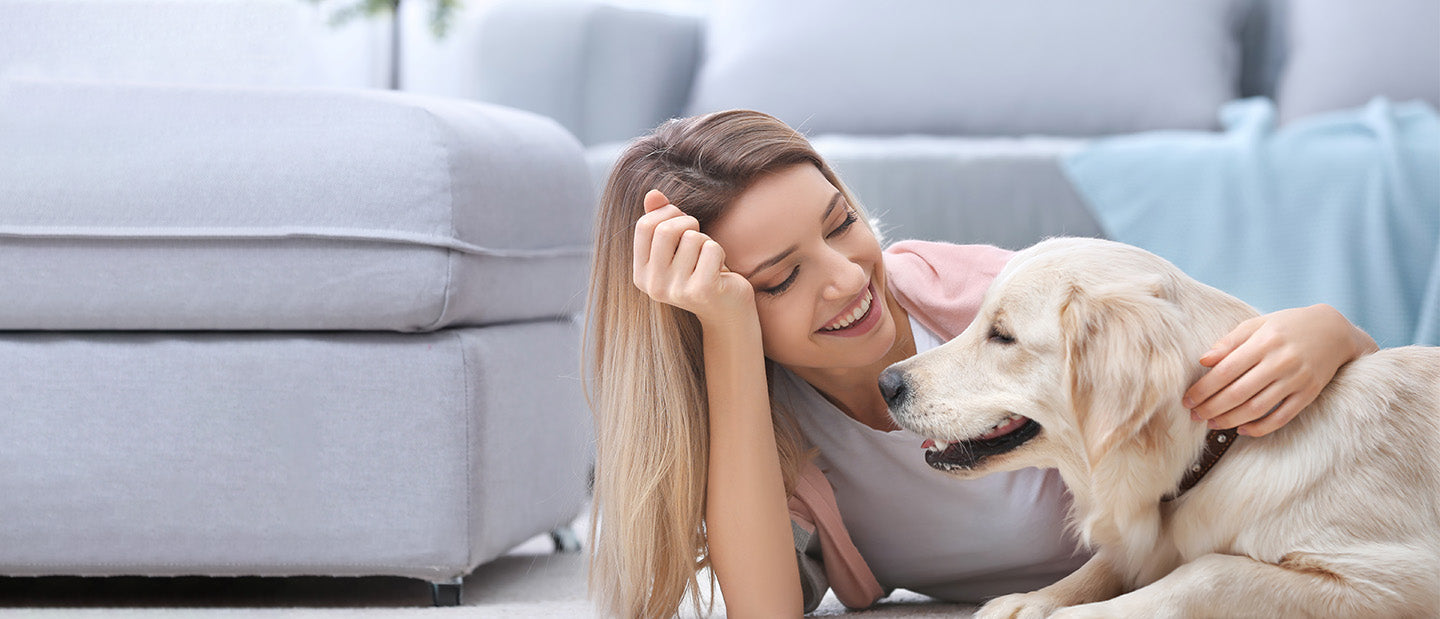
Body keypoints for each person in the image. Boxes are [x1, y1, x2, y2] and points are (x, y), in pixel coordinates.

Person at [583, 110, 1378, 618]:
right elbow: (763, 613)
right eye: (780, 278)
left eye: (842, 222)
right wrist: (723, 336)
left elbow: (1194, 354)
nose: (849, 276)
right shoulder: (772, 437)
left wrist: (1333, 333)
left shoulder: (984, 297)